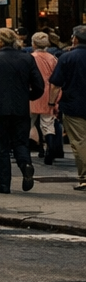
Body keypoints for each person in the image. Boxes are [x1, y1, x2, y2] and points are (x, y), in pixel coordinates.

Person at [0, 27, 46, 194]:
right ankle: (26, 164)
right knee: (20, 142)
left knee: (0, 147)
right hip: (20, 108)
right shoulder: (27, 59)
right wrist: (27, 96)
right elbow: (39, 86)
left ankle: (4, 184)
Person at [47, 24, 86, 192]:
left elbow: (55, 85)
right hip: (74, 104)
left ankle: (85, 177)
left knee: (79, 142)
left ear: (75, 39)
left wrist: (51, 104)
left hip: (73, 105)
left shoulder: (67, 57)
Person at [28, 32, 60, 164]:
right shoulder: (52, 58)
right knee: (47, 123)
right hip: (49, 93)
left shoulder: (30, 57)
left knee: (29, 122)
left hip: (33, 92)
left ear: (34, 44)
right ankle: (50, 148)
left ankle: (33, 146)